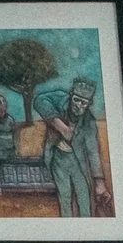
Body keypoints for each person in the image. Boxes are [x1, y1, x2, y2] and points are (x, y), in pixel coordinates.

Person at [42, 77, 103, 218]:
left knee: (83, 196)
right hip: (58, 159)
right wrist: (59, 125)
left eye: (84, 102)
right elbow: (40, 101)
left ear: (89, 104)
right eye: (76, 100)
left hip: (78, 162)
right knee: (64, 196)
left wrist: (99, 182)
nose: (79, 105)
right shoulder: (60, 100)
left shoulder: (89, 122)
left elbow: (93, 152)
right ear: (71, 95)